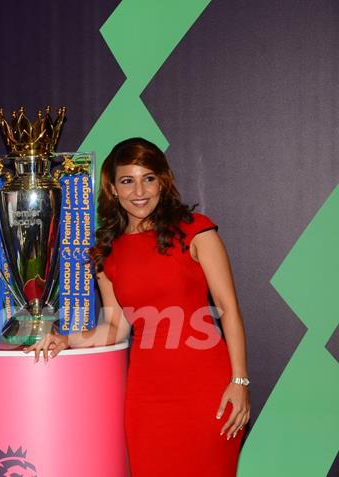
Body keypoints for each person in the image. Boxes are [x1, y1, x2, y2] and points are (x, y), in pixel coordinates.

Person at [29, 138, 250, 476]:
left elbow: (228, 308)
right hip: (147, 396)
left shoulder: (196, 230)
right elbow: (116, 328)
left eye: (149, 178)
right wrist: (67, 339)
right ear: (112, 188)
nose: (139, 191)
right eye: (127, 181)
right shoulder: (105, 253)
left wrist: (239, 381)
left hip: (208, 390)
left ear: (163, 180)